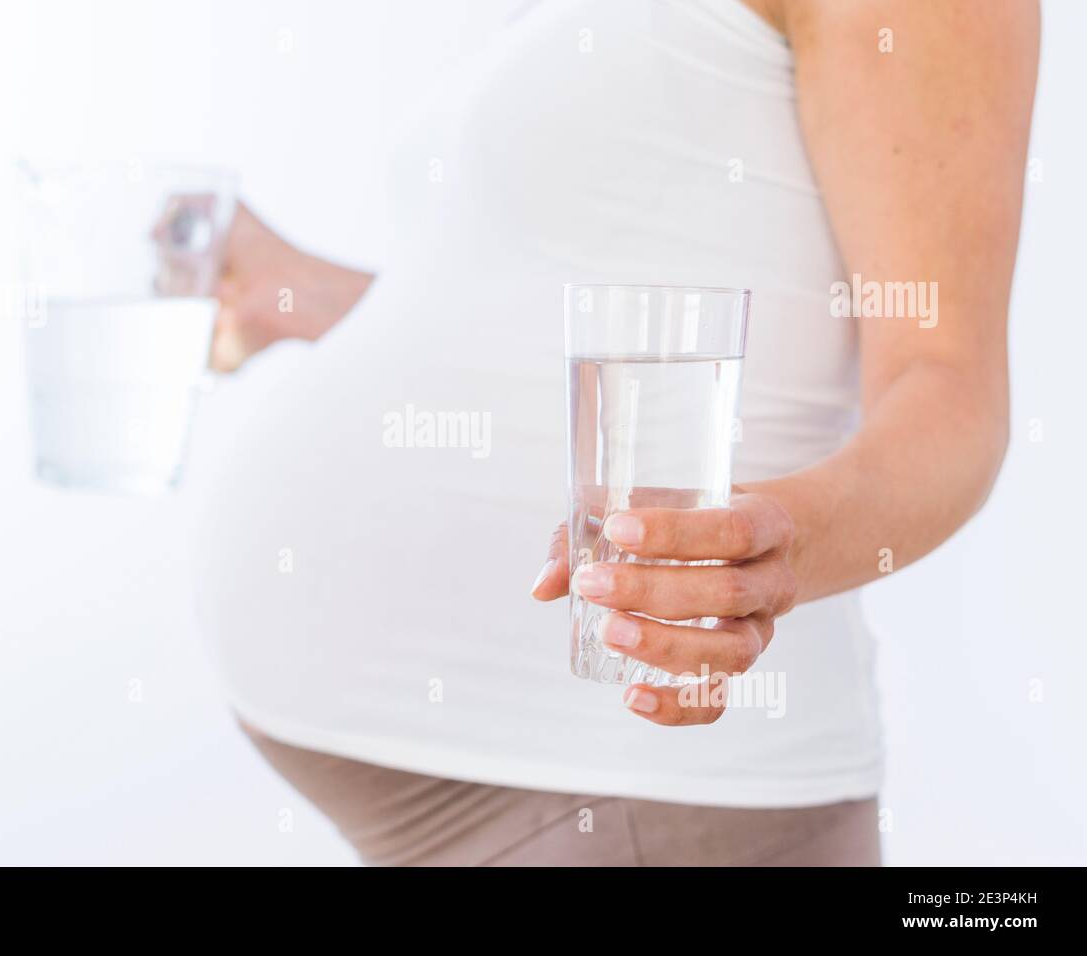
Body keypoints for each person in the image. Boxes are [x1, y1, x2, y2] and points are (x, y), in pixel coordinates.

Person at [200, 0, 1039, 865]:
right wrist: (302, 290)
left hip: (644, 797)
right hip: (476, 795)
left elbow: (951, 394)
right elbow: (525, 313)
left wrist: (770, 551)